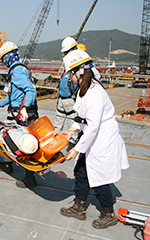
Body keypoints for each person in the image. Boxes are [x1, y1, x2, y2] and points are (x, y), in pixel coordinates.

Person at [59, 49, 129, 229]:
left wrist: (75, 149)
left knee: (100, 179)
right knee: (81, 172)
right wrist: (70, 131)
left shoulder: (95, 93)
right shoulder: (85, 89)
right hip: (91, 138)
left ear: (80, 71)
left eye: (70, 74)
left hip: (102, 140)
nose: (69, 78)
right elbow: (82, 117)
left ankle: (109, 213)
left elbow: (93, 127)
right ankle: (79, 206)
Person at [0, 41, 39, 188]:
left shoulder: (16, 71)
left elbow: (30, 91)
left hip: (21, 115)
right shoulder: (17, 70)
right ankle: (7, 164)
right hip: (18, 112)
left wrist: (24, 108)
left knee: (23, 143)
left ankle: (29, 176)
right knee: (10, 141)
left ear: (7, 57)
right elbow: (13, 95)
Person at [53, 36, 78, 152]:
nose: (65, 55)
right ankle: (54, 143)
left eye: (67, 52)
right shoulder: (65, 63)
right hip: (62, 99)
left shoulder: (77, 63)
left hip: (71, 99)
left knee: (71, 123)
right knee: (58, 123)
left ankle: (72, 144)